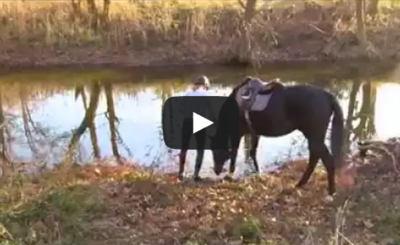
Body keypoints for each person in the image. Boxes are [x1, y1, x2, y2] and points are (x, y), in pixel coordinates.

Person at [178, 75, 214, 182]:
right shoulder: (206, 95)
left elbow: (181, 109)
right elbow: (211, 113)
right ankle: (196, 175)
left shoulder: (188, 93)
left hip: (187, 121)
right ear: (206, 85)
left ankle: (180, 173)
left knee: (184, 148)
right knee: (200, 149)